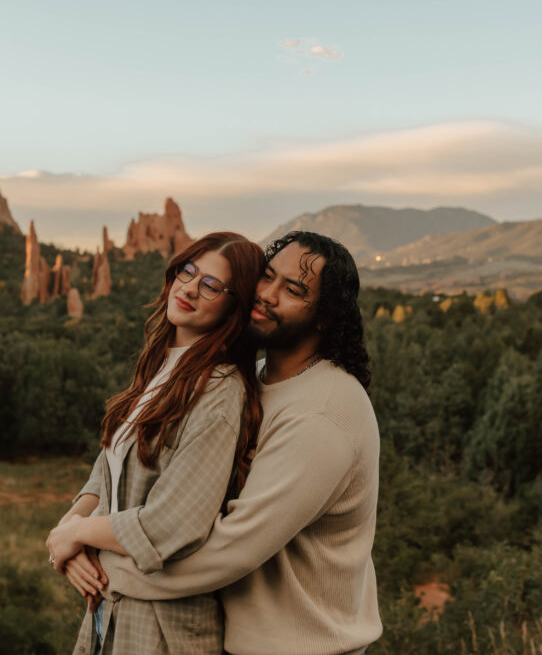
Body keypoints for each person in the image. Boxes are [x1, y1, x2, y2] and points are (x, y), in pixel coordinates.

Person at [63, 230, 382, 655]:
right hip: (242, 638)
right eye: (266, 277)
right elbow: (122, 455)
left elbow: (231, 550)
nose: (266, 294)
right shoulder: (260, 378)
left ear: (325, 316)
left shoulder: (322, 412)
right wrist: (73, 527)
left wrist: (99, 563)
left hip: (302, 647)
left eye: (293, 289)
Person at [46, 231, 266, 654]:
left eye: (212, 285)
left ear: (233, 308)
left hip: (164, 630)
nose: (190, 288)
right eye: (188, 271)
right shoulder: (162, 366)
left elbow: (173, 524)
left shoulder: (219, 389)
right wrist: (66, 533)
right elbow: (109, 465)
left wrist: (79, 535)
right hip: (109, 614)